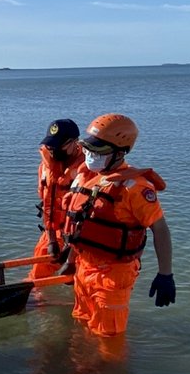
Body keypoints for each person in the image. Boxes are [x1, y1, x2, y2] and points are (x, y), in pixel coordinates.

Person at [60, 113, 175, 338]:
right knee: (82, 327)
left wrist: (165, 274)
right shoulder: (86, 177)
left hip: (113, 274)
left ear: (120, 152)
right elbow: (80, 223)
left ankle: (111, 372)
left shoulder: (135, 188)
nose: (90, 156)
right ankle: (83, 370)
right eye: (88, 149)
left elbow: (159, 228)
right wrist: (71, 260)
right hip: (84, 266)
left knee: (109, 340)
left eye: (98, 151)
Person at [27, 118, 83, 280]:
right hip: (53, 230)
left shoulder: (87, 169)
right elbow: (47, 203)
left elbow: (89, 214)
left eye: (59, 145)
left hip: (80, 235)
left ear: (74, 143)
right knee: (38, 273)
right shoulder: (46, 165)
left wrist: (71, 247)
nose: (53, 149)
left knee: (79, 279)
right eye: (51, 145)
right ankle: (35, 301)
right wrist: (51, 240)